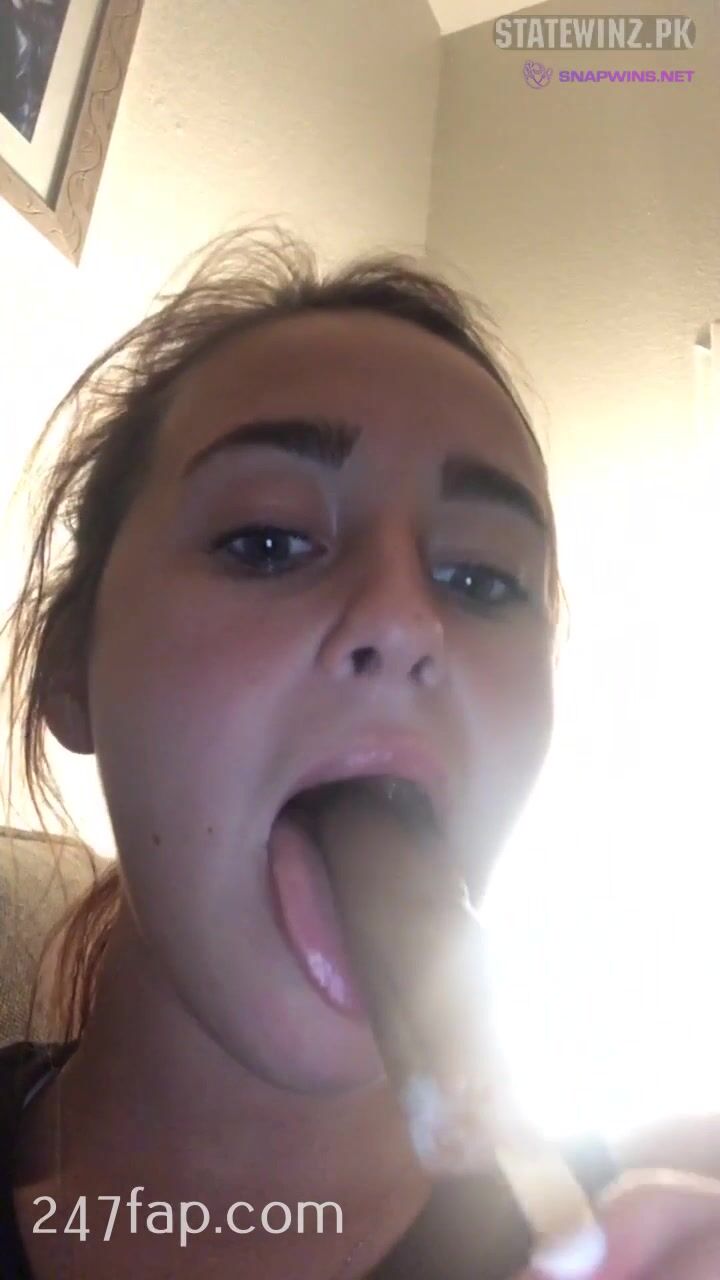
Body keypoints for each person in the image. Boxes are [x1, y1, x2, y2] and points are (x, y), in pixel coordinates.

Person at [1, 224, 720, 1280]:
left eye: (482, 579)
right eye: (267, 540)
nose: (404, 617)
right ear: (70, 666)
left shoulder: (659, 1228)